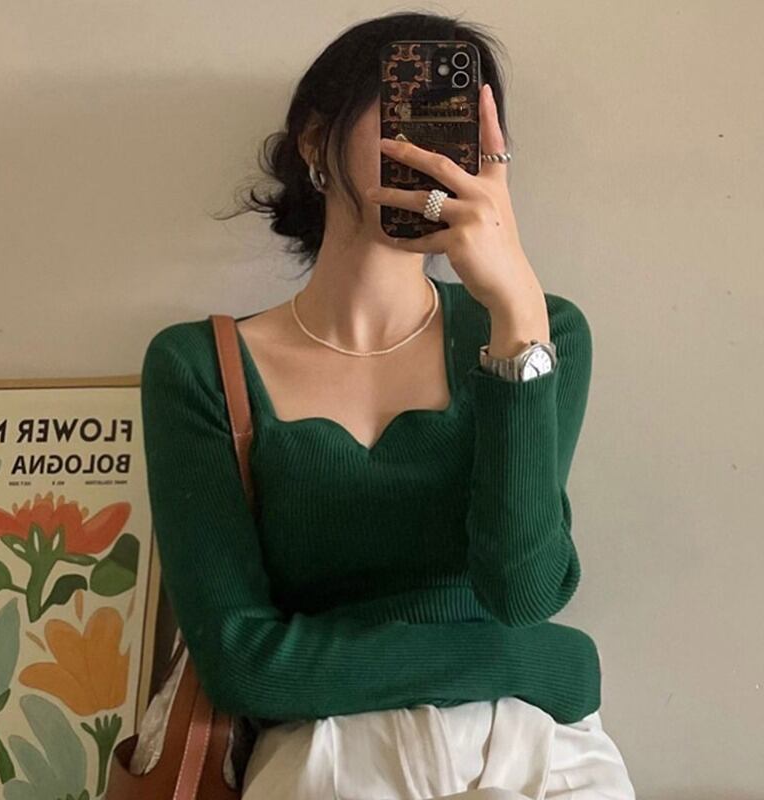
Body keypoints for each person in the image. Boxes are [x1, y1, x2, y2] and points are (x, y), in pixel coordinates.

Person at [140, 11, 636, 799]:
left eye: (461, 132)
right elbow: (244, 665)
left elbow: (522, 592)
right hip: (328, 761)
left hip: (539, 755)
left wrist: (515, 318)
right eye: (411, 117)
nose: (435, 156)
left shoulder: (544, 330)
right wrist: (551, 660)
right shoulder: (200, 367)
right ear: (316, 141)